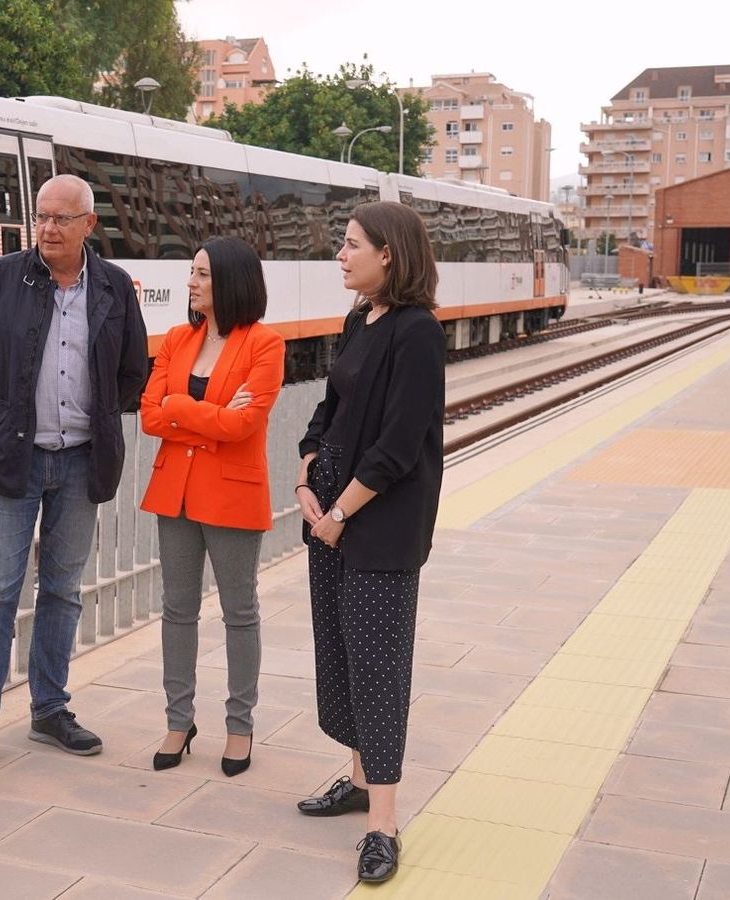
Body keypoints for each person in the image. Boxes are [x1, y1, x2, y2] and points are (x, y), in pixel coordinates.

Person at [0, 173, 149, 775]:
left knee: (62, 591)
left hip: (82, 460)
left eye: (62, 219)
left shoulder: (112, 286)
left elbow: (134, 368)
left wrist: (102, 413)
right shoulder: (2, 278)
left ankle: (50, 709)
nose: (49, 229)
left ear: (89, 225)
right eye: (42, 217)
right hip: (12, 461)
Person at [292, 201, 445, 884]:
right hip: (327, 516)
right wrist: (305, 462)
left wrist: (341, 512)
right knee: (344, 656)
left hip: (374, 526)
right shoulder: (359, 320)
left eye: (351, 245)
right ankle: (357, 780)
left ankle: (382, 822)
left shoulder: (417, 332)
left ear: (390, 254)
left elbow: (399, 442)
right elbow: (333, 407)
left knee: (380, 670)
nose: (341, 255)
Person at [138, 236, 283, 778]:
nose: (191, 282)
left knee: (239, 613)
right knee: (177, 610)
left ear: (230, 280)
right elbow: (150, 414)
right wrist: (199, 410)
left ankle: (240, 727)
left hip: (233, 494)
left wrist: (181, 408)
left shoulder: (265, 344)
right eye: (191, 273)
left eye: (201, 273)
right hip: (174, 491)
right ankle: (180, 721)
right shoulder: (177, 338)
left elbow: (246, 423)